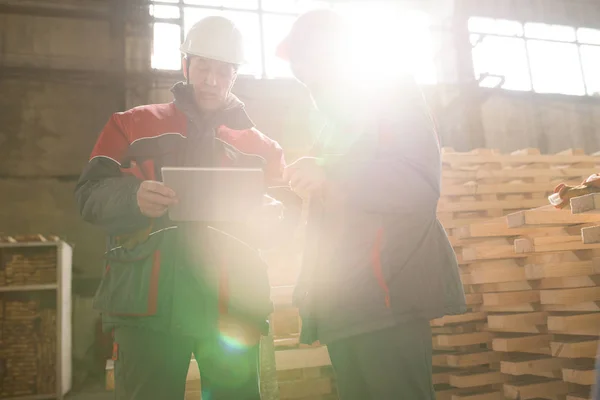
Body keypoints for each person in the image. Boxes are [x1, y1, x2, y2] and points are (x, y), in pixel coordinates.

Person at [76, 16, 299, 400]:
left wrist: (273, 218)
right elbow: (88, 195)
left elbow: (286, 221)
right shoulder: (130, 125)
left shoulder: (262, 149)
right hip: (148, 305)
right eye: (203, 67)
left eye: (223, 71)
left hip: (231, 307)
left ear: (235, 75)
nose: (212, 79)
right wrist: (133, 198)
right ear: (186, 66)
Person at [277, 9, 467, 400]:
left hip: (387, 301)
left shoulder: (392, 95)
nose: (307, 76)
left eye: (310, 62)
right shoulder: (331, 123)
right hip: (343, 305)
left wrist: (332, 176)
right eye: (300, 67)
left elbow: (418, 186)